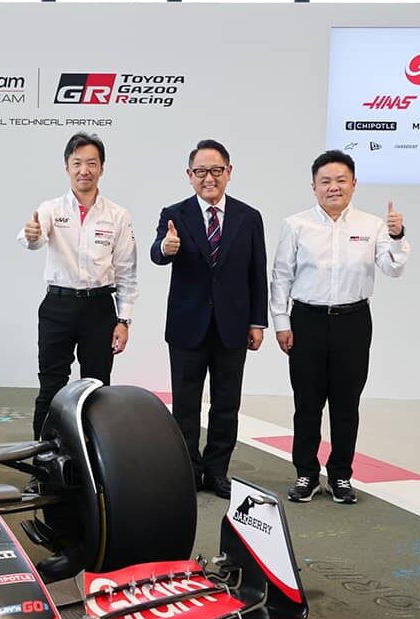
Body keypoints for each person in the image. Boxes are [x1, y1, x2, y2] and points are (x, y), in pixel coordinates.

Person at [270, 149, 410, 504]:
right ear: (314, 186)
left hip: (353, 321)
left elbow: (393, 268)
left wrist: (397, 236)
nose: (334, 187)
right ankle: (305, 474)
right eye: (326, 181)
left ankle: (341, 475)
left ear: (354, 184)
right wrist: (281, 323)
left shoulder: (372, 225)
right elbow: (281, 277)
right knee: (307, 403)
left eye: (341, 180)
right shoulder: (296, 224)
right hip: (306, 321)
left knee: (346, 404)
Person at [150, 139, 267, 499]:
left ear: (229, 172)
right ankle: (189, 470)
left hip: (232, 327)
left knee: (226, 404)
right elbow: (158, 252)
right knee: (185, 405)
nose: (209, 178)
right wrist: (165, 248)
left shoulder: (249, 217)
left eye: (216, 171)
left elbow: (257, 272)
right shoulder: (175, 214)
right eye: (200, 172)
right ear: (190, 175)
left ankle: (217, 472)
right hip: (188, 327)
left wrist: (257, 322)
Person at [18, 132, 138, 439]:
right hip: (58, 307)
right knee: (51, 386)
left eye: (91, 163)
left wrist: (123, 321)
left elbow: (127, 272)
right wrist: (31, 235)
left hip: (100, 309)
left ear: (102, 168)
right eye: (77, 163)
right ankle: (44, 463)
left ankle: (96, 466)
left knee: (97, 390)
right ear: (66, 167)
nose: (84, 170)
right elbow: (33, 238)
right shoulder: (50, 209)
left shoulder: (118, 215)